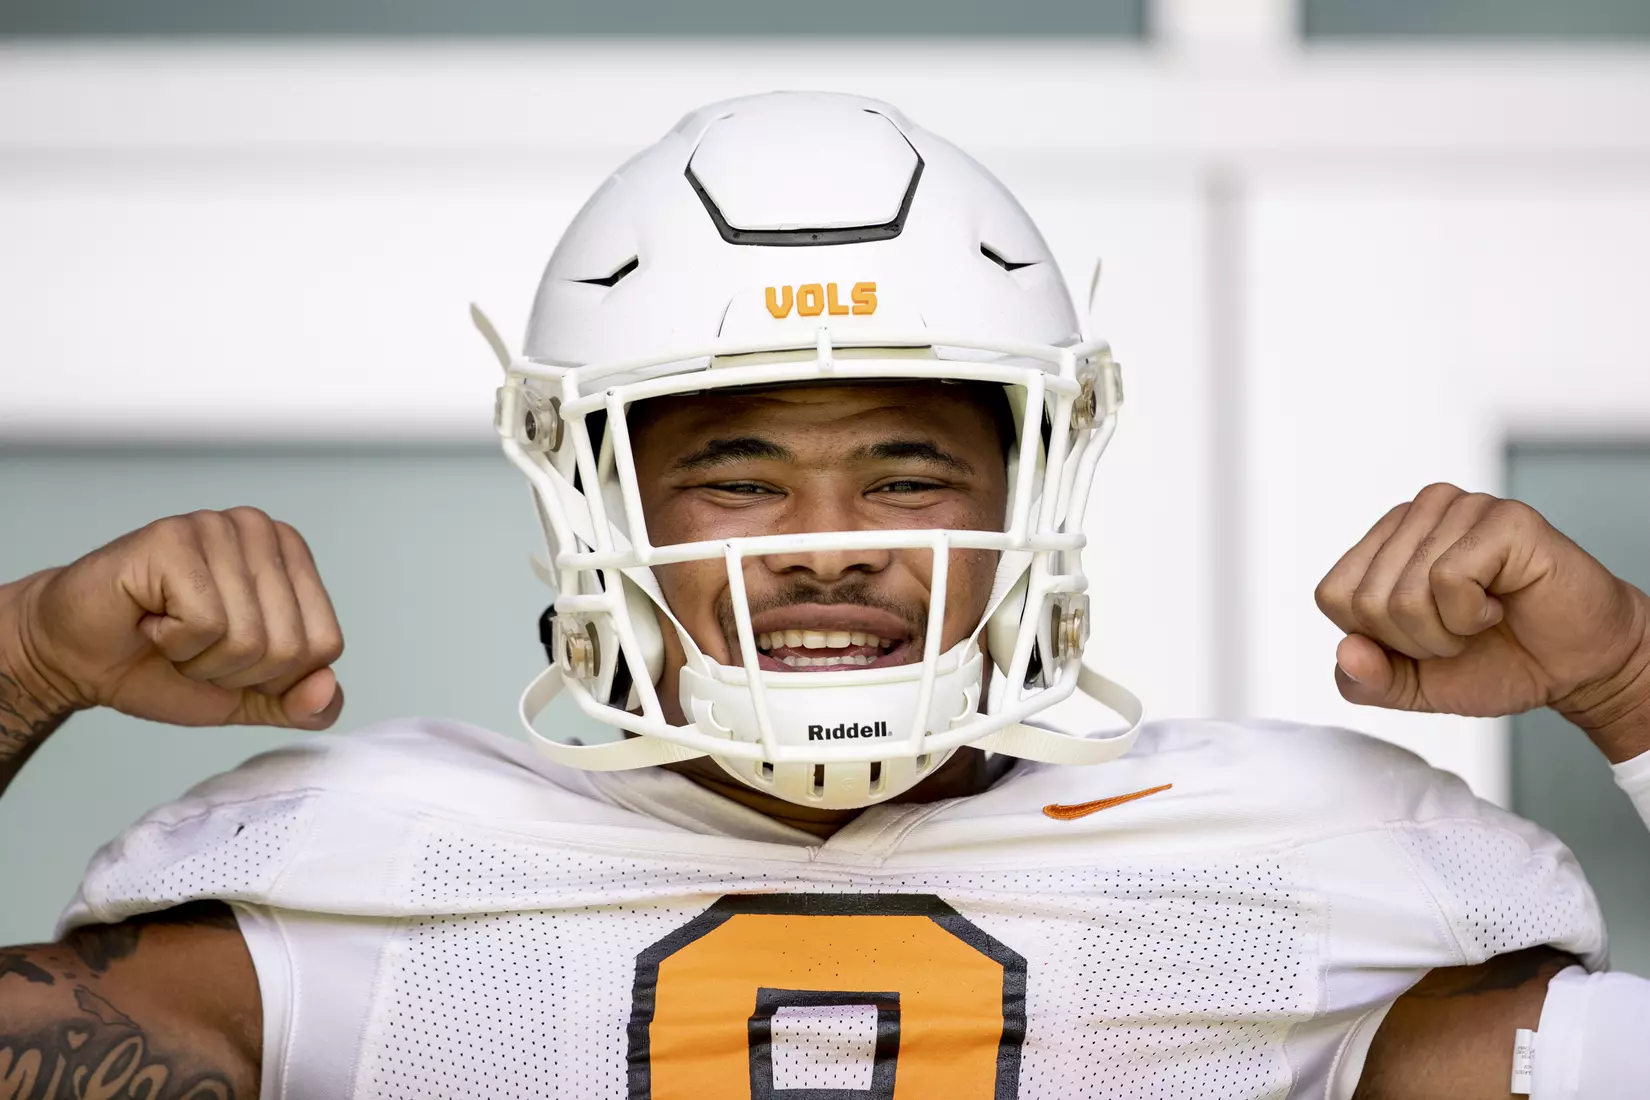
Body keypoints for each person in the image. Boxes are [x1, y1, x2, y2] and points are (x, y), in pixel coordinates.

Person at [1, 91, 1648, 1100]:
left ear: (1034, 495)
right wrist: (25, 657)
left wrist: (1629, 682)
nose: (826, 540)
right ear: (593, 505)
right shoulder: (353, 883)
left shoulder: (1298, 883)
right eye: (735, 475)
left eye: (909, 473)